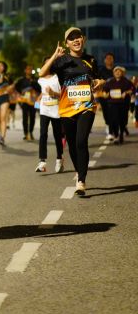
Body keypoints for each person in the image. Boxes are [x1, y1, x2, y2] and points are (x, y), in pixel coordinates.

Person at [39, 27, 105, 196]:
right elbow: (42, 73)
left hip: (86, 106)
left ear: (83, 40)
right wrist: (55, 55)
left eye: (78, 37)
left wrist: (99, 82)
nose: (76, 40)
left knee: (81, 141)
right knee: (73, 145)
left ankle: (81, 180)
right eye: (71, 38)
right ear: (67, 43)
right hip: (66, 108)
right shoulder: (62, 61)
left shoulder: (90, 59)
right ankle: (79, 170)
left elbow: (100, 78)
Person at [35, 57, 64, 173]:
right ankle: (42, 161)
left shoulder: (57, 78)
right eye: (46, 63)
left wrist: (53, 93)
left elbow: (63, 94)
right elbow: (42, 92)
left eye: (50, 63)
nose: (48, 65)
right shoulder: (40, 79)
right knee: (43, 134)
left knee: (57, 135)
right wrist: (38, 99)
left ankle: (59, 159)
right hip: (44, 110)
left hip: (56, 110)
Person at [102, 66, 135, 144]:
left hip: (123, 104)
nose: (117, 73)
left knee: (122, 120)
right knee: (114, 120)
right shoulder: (110, 81)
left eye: (119, 71)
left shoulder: (127, 81)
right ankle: (116, 136)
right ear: (113, 73)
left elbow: (133, 89)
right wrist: (105, 94)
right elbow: (104, 90)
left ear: (122, 73)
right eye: (116, 71)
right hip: (112, 103)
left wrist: (126, 92)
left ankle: (121, 135)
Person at [15, 65, 41, 140]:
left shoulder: (36, 79)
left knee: (33, 117)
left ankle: (31, 132)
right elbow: (16, 87)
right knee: (25, 117)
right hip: (24, 101)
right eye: (28, 69)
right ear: (25, 70)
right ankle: (26, 133)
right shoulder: (21, 80)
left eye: (31, 69)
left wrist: (33, 83)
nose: (29, 70)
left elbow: (40, 89)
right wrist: (21, 93)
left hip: (35, 101)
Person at [97, 52, 115, 139]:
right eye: (107, 58)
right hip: (103, 96)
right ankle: (108, 126)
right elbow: (97, 83)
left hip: (114, 96)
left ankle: (112, 130)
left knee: (113, 113)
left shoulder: (116, 70)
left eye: (110, 58)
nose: (109, 60)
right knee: (106, 113)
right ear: (104, 60)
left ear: (113, 60)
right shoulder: (101, 71)